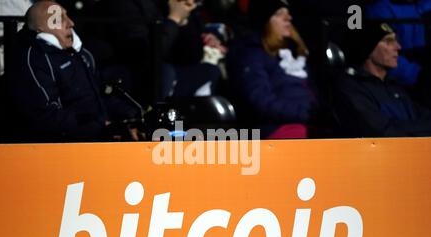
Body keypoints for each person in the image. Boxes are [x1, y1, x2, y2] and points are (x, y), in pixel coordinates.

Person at [7, 0, 144, 142]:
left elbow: (100, 95)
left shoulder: (79, 54)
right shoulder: (33, 59)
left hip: (97, 134)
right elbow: (45, 117)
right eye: (59, 20)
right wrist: (101, 126)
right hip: (64, 148)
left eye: (68, 16)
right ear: (40, 28)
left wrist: (132, 117)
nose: (71, 23)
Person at [91, 0, 226, 103]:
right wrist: (174, 20)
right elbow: (144, 54)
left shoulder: (167, 3)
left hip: (164, 72)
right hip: (125, 74)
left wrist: (185, 20)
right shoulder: (125, 4)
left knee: (209, 71)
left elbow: (193, 56)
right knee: (164, 72)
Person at [227, 0, 318, 138]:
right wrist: (307, 114)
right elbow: (260, 101)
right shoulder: (251, 53)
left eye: (287, 13)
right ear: (265, 21)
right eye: (279, 14)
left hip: (311, 124)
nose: (288, 18)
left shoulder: (296, 53)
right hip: (276, 129)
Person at [333, 21, 431, 137]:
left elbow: (426, 118)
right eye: (389, 41)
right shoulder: (351, 87)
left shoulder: (394, 87)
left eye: (396, 40)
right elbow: (381, 130)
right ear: (368, 48)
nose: (398, 47)